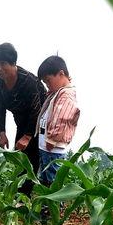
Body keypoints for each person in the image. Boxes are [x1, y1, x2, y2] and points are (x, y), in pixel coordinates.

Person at [0, 43, 46, 196]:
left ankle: (26, 196)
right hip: (21, 121)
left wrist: (27, 136)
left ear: (13, 62)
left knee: (31, 158)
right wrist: (2, 132)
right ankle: (21, 195)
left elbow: (36, 110)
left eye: (3, 63)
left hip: (40, 122)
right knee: (20, 158)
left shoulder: (28, 81)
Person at [36, 56, 80, 186]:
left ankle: (53, 199)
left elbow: (62, 118)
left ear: (61, 74)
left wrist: (52, 139)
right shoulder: (58, 92)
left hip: (53, 149)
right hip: (47, 148)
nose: (47, 85)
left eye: (48, 80)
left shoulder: (66, 95)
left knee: (53, 181)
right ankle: (46, 198)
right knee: (45, 178)